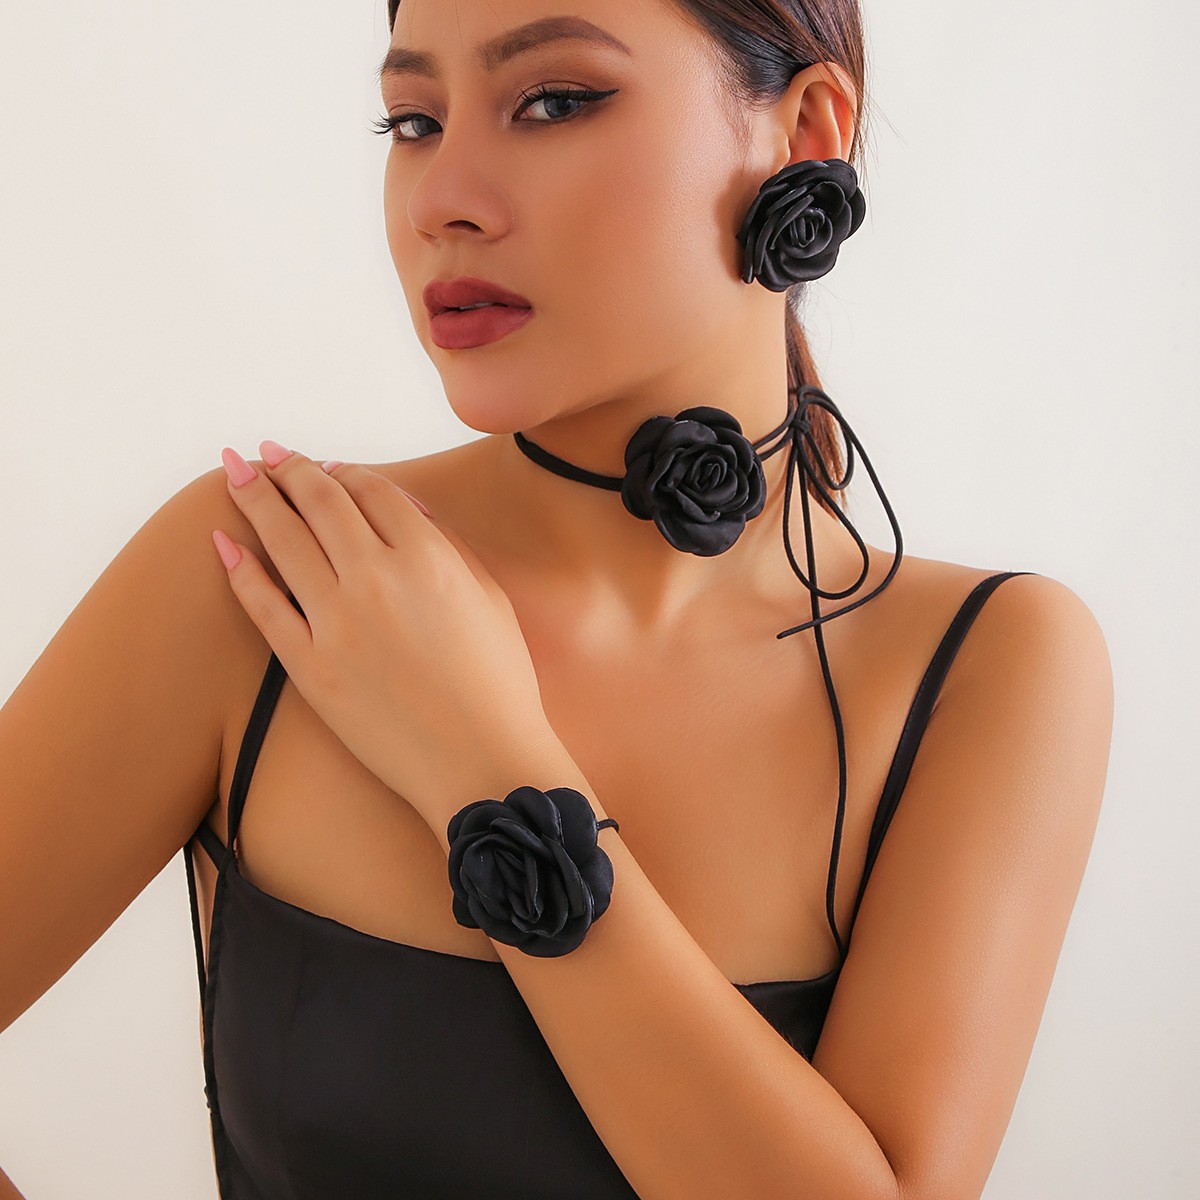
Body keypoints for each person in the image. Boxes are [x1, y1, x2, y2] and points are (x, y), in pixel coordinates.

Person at [0, 2, 1114, 1198]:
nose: (443, 200)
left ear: (803, 134)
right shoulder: (270, 573)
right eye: (413, 121)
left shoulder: (992, 668)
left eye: (554, 102)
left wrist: (481, 757)